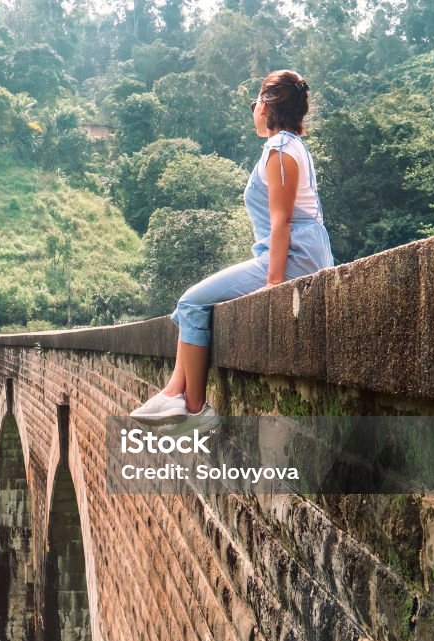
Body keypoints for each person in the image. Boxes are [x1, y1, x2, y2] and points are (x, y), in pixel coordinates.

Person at [131, 69, 334, 429]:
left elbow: (282, 222)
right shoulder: (289, 147)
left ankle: (194, 409)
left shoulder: (281, 149)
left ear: (267, 106)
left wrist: (274, 285)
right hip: (295, 253)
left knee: (192, 302)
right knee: (194, 306)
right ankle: (173, 393)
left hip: (291, 259)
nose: (253, 107)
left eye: (256, 100)